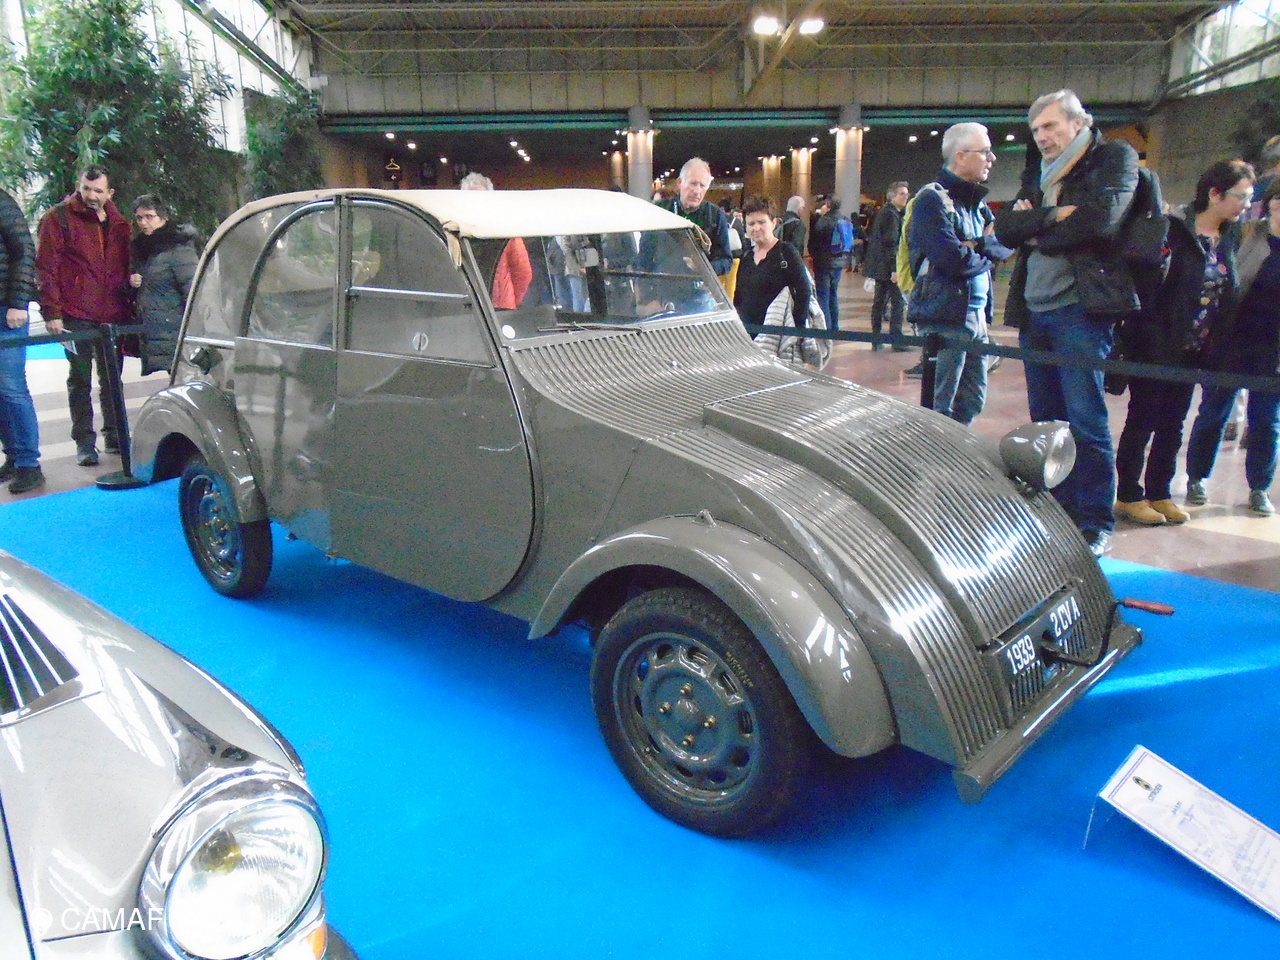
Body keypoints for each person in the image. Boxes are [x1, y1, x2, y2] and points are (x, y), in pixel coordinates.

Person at [994, 90, 1141, 557]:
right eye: (1036, 129)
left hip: (1081, 310)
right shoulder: (1036, 171)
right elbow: (1005, 229)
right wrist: (1054, 216)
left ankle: (1095, 520)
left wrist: (1036, 229)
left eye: (1051, 126)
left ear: (1078, 124)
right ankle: (1058, 512)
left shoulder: (1113, 158)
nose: (1042, 137)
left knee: (1085, 421)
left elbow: (1099, 221)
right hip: (1034, 310)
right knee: (1047, 422)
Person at [1114, 160, 1254, 526]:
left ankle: (1159, 492)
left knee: (1173, 424)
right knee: (1142, 420)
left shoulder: (1230, 236)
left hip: (1195, 349)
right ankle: (1128, 494)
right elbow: (1149, 286)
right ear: (1215, 194)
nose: (1245, 205)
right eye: (1241, 197)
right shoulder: (1172, 228)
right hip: (1155, 345)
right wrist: (1148, 334)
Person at [1184, 173, 1280, 517]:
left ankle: (1259, 488)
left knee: (1266, 421)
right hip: (1233, 340)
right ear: (1270, 204)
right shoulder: (1246, 234)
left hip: (1273, 350)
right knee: (1214, 412)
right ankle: (1196, 478)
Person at [906, 123, 1009, 426]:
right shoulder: (931, 200)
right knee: (942, 404)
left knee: (973, 400)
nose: (991, 159)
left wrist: (976, 246)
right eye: (985, 152)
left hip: (976, 314)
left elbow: (1003, 245)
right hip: (946, 316)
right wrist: (983, 247)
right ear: (961, 156)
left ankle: (961, 449)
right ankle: (939, 454)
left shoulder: (977, 204)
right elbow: (952, 260)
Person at [36, 164, 133, 467]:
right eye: (86, 189)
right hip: (75, 314)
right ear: (79, 187)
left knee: (112, 379)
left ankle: (116, 436)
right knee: (80, 379)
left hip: (112, 313)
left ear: (109, 193)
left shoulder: (119, 223)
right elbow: (46, 268)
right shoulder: (58, 218)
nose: (91, 195)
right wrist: (52, 312)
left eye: (98, 191)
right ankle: (84, 443)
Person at [0, 187, 43, 494]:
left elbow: (24, 250)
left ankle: (29, 463)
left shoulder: (1, 201)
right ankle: (14, 456)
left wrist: (18, 302)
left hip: (6, 309)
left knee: (11, 387)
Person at [128, 194, 199, 376]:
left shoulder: (178, 248)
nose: (143, 223)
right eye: (139, 218)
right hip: (157, 330)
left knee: (182, 378)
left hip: (174, 330)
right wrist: (133, 282)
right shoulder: (143, 249)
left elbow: (193, 291)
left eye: (149, 217)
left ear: (163, 218)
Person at [733, 196, 812, 331]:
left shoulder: (787, 252)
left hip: (779, 333)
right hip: (749, 333)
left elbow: (803, 291)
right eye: (751, 224)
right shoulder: (746, 256)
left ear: (773, 223)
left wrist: (798, 330)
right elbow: (739, 296)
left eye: (762, 222)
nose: (756, 228)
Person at [460, 171, 532, 309]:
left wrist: (508, 301)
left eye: (480, 198)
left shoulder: (504, 228)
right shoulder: (456, 228)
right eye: (470, 198)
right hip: (469, 307)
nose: (475, 203)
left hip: (500, 309)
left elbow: (523, 273)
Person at [663, 158, 732, 279]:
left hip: (699, 285)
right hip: (663, 283)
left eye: (702, 185)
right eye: (693, 183)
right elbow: (644, 256)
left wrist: (703, 268)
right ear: (679, 183)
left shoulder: (716, 215)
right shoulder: (661, 210)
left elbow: (726, 261)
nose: (697, 191)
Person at [863, 181, 911, 351]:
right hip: (887, 267)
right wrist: (895, 269)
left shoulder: (887, 212)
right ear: (892, 197)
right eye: (902, 194)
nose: (906, 196)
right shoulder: (891, 215)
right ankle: (895, 340)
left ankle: (877, 338)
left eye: (907, 193)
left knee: (880, 302)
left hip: (880, 266)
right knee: (897, 303)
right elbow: (891, 243)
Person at [809, 195, 846, 329]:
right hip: (839, 262)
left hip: (824, 263)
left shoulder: (824, 221)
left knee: (823, 296)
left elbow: (814, 243)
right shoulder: (844, 219)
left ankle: (826, 328)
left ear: (828, 205)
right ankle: (835, 326)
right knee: (833, 294)